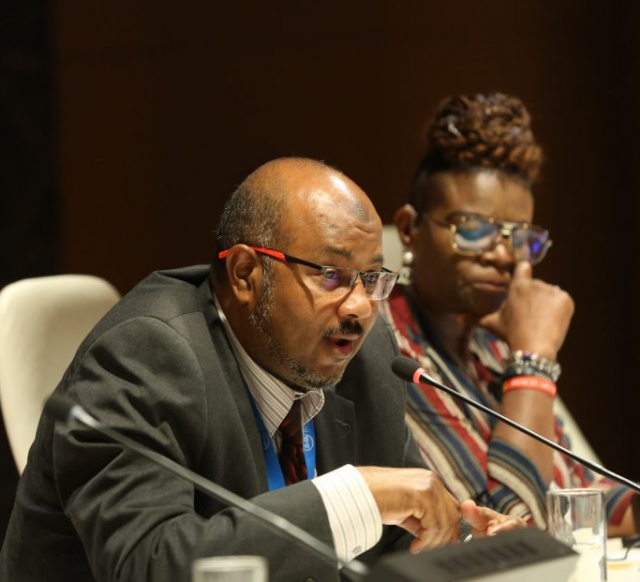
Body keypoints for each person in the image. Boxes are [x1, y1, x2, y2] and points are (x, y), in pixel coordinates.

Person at [0, 157, 523, 582]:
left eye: (371, 279)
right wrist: (357, 496)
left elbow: (387, 539)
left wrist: (461, 545)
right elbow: (154, 564)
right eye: (332, 275)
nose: (360, 307)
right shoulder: (145, 356)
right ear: (246, 272)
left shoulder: (366, 355)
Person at [381, 92, 637, 535]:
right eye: (473, 230)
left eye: (519, 238)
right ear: (409, 228)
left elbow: (575, 491)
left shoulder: (491, 347)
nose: (502, 256)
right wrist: (535, 360)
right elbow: (511, 525)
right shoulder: (385, 347)